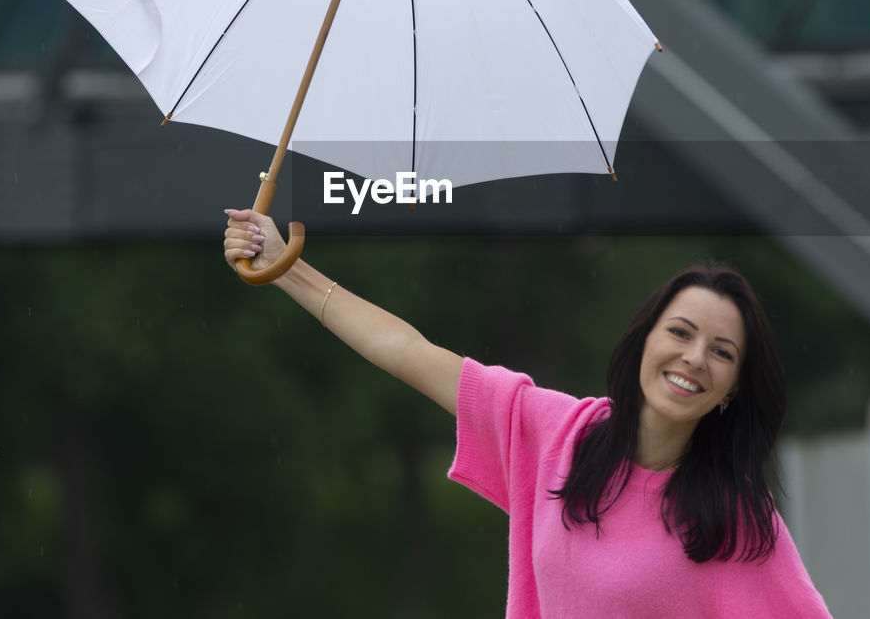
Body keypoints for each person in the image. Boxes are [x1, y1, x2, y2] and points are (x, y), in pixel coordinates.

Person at [223, 209, 832, 619]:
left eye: (721, 353)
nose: (694, 358)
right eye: (680, 332)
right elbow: (407, 351)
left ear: (731, 388)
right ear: (645, 340)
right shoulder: (556, 433)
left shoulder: (738, 519)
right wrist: (286, 267)